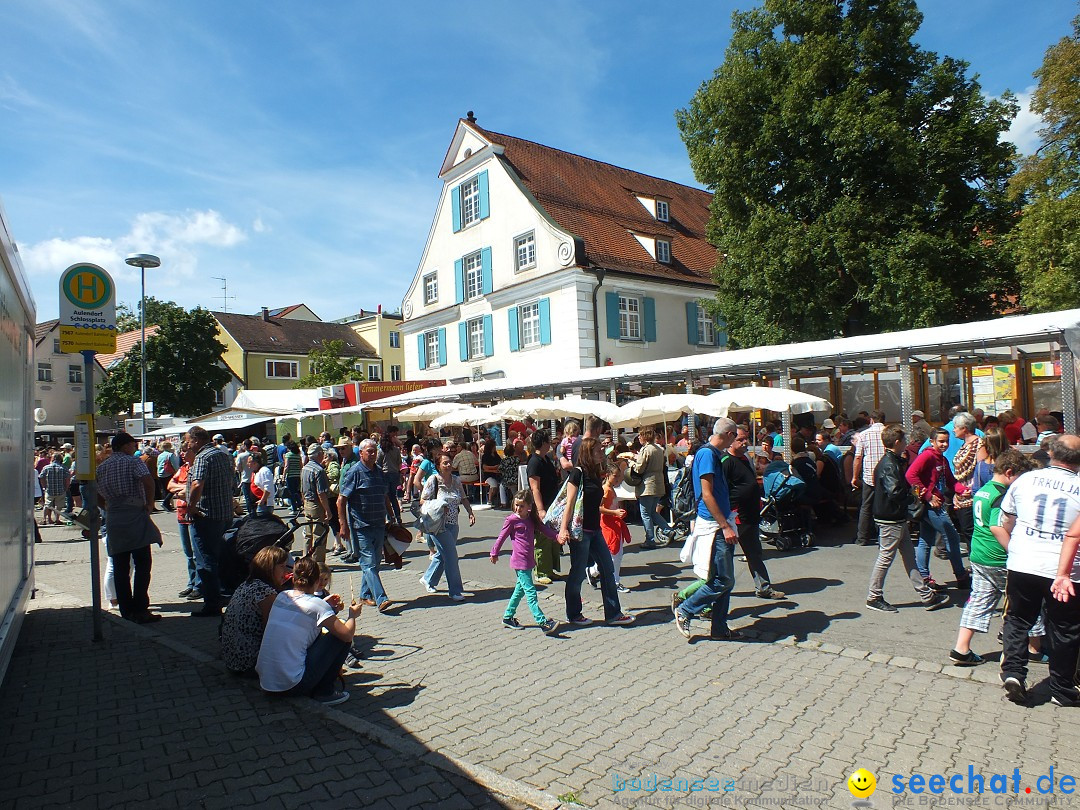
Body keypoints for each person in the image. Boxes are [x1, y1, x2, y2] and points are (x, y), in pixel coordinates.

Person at [998, 434, 1080, 706]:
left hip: (1024, 562)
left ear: (1051, 453)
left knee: (1018, 619)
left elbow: (1005, 519)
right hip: (1063, 570)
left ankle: (1013, 673)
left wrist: (1017, 547)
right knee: (1064, 628)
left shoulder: (1025, 479)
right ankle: (1061, 688)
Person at [950, 450, 1039, 666]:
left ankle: (961, 648)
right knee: (1027, 602)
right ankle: (1033, 648)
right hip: (999, 557)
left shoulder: (983, 491)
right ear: (1009, 473)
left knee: (980, 599)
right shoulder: (1003, 496)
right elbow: (997, 527)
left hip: (980, 554)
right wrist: (1015, 551)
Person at [865, 425, 950, 613]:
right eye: (904, 441)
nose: (906, 444)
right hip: (890, 517)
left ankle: (926, 595)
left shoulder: (892, 461)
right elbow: (895, 491)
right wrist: (912, 497)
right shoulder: (889, 464)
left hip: (894, 516)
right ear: (897, 443)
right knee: (886, 557)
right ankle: (874, 596)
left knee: (909, 556)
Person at [673, 418, 743, 642]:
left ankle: (719, 627)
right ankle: (686, 609)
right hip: (715, 526)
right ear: (730, 435)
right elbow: (706, 493)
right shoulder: (707, 454)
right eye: (738, 438)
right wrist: (724, 525)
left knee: (722, 578)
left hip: (721, 523)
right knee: (724, 579)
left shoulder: (712, 454)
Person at [256, 557, 359, 706]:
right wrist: (352, 616)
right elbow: (347, 634)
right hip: (292, 685)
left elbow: (305, 609)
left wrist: (323, 604)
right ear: (317, 582)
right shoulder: (317, 605)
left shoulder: (282, 596)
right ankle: (325, 692)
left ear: (294, 579)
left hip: (266, 681)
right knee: (339, 637)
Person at [558, 437, 634, 627]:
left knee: (607, 569)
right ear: (588, 453)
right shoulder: (577, 473)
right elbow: (570, 503)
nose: (602, 452)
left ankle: (613, 613)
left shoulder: (594, 473)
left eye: (602, 449)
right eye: (598, 450)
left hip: (596, 530)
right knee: (578, 573)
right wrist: (562, 529)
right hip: (580, 531)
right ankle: (574, 614)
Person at [95, 432, 162, 624]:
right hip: (134, 512)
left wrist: (106, 506)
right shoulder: (133, 462)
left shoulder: (103, 466)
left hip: (114, 516)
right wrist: (149, 504)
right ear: (125, 446)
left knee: (120, 566)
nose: (134, 448)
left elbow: (93, 492)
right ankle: (141, 608)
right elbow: (148, 481)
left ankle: (126, 610)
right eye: (133, 444)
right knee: (142, 562)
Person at [724, 425, 785, 600]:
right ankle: (715, 594)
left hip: (750, 516)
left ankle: (763, 587)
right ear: (730, 440)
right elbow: (721, 492)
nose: (745, 443)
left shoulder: (745, 459)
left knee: (754, 553)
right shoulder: (725, 462)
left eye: (746, 439)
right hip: (735, 519)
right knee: (724, 560)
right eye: (740, 439)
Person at [906, 428, 971, 591]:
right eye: (941, 441)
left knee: (926, 539)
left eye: (946, 441)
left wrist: (963, 490)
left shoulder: (941, 459)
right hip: (930, 506)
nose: (944, 444)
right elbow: (910, 475)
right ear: (932, 441)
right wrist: (928, 495)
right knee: (952, 537)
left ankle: (924, 577)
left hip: (936, 503)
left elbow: (950, 481)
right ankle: (961, 576)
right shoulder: (927, 456)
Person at [337, 438, 396, 612]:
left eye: (374, 451)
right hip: (361, 525)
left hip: (378, 524)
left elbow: (385, 496)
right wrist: (343, 525)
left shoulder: (379, 472)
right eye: (369, 451)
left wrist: (391, 516)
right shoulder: (354, 472)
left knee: (375, 562)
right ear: (361, 453)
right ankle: (381, 598)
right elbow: (341, 500)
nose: (372, 454)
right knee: (369, 563)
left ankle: (365, 594)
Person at [490, 490, 560, 634]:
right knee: (531, 592)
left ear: (529, 506)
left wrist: (557, 537)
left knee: (519, 591)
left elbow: (544, 530)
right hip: (519, 561)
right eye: (516, 505)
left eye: (521, 506)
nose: (518, 509)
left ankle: (508, 617)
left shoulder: (531, 519)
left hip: (529, 560)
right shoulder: (511, 520)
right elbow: (501, 537)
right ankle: (542, 622)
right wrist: (494, 552)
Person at [186, 425, 238, 618]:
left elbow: (197, 483)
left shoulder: (203, 457)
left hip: (206, 516)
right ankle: (223, 594)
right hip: (224, 514)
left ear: (196, 440)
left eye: (188, 440)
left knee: (205, 559)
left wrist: (191, 506)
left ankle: (212, 603)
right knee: (221, 557)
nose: (186, 444)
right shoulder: (223, 455)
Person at [221, 546, 289, 676]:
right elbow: (271, 632)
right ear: (270, 567)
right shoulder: (265, 592)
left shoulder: (247, 584)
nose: (286, 571)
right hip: (250, 661)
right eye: (282, 566)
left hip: (233, 658)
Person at [419, 451, 476, 600]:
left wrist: (470, 512)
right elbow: (422, 500)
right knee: (451, 556)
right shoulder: (434, 480)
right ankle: (455, 591)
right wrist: (438, 505)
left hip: (453, 524)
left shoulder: (456, 480)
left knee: (443, 554)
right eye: (445, 463)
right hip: (438, 525)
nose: (448, 465)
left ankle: (428, 579)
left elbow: (463, 498)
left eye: (449, 462)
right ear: (438, 466)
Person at [587, 465, 632, 593]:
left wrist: (617, 512)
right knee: (614, 554)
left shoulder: (611, 488)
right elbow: (599, 508)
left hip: (613, 523)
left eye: (619, 476)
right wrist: (615, 513)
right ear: (608, 475)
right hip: (608, 525)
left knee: (616, 554)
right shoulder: (606, 489)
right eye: (615, 476)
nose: (617, 479)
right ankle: (614, 582)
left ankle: (593, 571)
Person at [526, 430, 562, 586]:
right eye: (549, 442)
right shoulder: (534, 462)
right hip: (542, 506)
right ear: (544, 443)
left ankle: (549, 570)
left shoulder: (546, 459)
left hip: (552, 505)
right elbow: (535, 488)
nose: (551, 445)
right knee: (542, 540)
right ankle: (541, 572)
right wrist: (540, 510)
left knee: (552, 539)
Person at [168, 441, 201, 600]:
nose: (182, 454)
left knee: (197, 553)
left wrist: (183, 490)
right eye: (181, 451)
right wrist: (184, 490)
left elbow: (196, 488)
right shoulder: (182, 469)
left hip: (193, 513)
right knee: (188, 554)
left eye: (185, 451)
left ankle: (198, 585)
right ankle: (191, 583)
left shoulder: (197, 469)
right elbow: (170, 485)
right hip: (181, 514)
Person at [632, 427, 673, 549]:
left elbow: (639, 468)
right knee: (652, 512)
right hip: (658, 483)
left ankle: (650, 539)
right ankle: (667, 530)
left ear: (645, 436)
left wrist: (632, 464)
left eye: (640, 435)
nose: (638, 438)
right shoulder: (659, 449)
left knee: (645, 513)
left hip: (647, 484)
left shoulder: (646, 450)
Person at [851, 409, 886, 546]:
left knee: (866, 506)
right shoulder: (888, 433)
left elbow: (858, 457)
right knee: (884, 506)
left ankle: (862, 537)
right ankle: (882, 536)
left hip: (869, 475)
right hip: (886, 475)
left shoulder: (864, 435)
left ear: (871, 420)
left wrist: (854, 477)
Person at [950, 412, 983, 556]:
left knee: (971, 531)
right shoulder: (965, 444)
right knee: (966, 530)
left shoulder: (979, 444)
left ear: (965, 428)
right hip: (961, 494)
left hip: (971, 494)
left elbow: (982, 469)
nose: (953, 430)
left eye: (956, 427)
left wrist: (974, 487)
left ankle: (976, 560)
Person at [301, 444, 331, 562]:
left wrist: (304, 504)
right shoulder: (319, 470)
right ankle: (318, 563)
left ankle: (305, 560)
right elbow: (321, 493)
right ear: (319, 455)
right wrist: (327, 510)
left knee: (308, 535)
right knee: (320, 535)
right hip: (317, 505)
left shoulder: (305, 468)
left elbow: (302, 489)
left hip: (307, 503)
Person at [377, 427, 404, 524]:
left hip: (385, 474)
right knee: (393, 497)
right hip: (395, 474)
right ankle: (398, 516)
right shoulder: (396, 450)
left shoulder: (381, 451)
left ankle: (390, 518)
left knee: (386, 498)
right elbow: (399, 463)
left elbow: (378, 464)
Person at [38, 452, 70, 526]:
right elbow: (67, 479)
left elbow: (41, 477)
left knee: (47, 505)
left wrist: (44, 486)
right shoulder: (64, 468)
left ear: (52, 459)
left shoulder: (46, 467)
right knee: (58, 505)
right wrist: (66, 487)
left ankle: (45, 519)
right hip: (61, 490)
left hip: (49, 489)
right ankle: (57, 519)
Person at [247, 450, 276, 517]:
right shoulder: (255, 472)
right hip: (256, 504)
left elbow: (268, 488)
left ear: (255, 463)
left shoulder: (264, 471)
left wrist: (262, 500)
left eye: (249, 462)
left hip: (264, 505)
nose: (247, 464)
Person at [156, 441, 180, 512]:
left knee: (165, 489)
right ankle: (165, 502)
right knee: (172, 489)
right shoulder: (170, 455)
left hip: (160, 473)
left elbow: (157, 464)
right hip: (168, 473)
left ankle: (168, 505)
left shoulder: (160, 455)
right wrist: (178, 472)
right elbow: (175, 465)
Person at [480, 439, 503, 507]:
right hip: (488, 475)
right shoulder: (485, 456)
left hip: (497, 474)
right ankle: (489, 500)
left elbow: (500, 462)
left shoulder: (496, 455)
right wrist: (494, 468)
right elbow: (485, 468)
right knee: (494, 484)